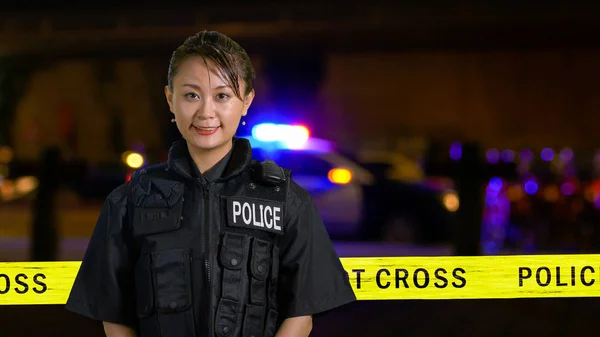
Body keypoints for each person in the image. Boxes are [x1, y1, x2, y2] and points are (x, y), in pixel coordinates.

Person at [65, 30, 356, 337]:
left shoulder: (285, 200)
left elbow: (301, 315)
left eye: (222, 96)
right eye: (191, 95)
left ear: (246, 101)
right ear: (169, 99)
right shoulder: (128, 202)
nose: (206, 112)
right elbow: (114, 317)